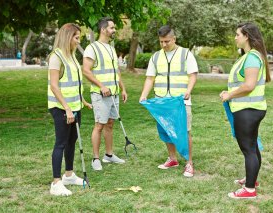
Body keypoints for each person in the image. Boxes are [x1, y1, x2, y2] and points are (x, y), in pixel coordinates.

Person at [219, 22, 271, 199]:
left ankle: (249, 190)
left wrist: (229, 95)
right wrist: (230, 93)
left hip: (247, 109)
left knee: (248, 148)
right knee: (252, 146)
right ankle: (252, 180)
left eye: (237, 34)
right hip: (249, 109)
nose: (235, 37)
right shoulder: (250, 56)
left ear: (246, 36)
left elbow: (249, 85)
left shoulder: (251, 57)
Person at [139, 25, 198, 178]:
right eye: (161, 42)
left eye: (167, 41)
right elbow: (150, 78)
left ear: (174, 39)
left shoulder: (186, 54)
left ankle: (189, 163)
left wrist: (188, 91)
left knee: (184, 131)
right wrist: (144, 94)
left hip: (180, 101)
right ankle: (172, 159)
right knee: (166, 130)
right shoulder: (156, 57)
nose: (164, 45)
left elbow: (192, 75)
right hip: (161, 101)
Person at [47, 23, 92, 196]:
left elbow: (75, 84)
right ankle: (56, 182)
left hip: (75, 107)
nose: (78, 41)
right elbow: (54, 85)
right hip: (61, 108)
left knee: (71, 141)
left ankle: (69, 174)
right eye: (76, 38)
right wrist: (66, 108)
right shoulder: (56, 57)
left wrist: (83, 101)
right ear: (67, 37)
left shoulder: (72, 56)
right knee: (61, 142)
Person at [82, 17, 128, 171]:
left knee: (110, 124)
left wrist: (123, 89)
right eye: (112, 28)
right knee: (99, 126)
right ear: (103, 30)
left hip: (114, 93)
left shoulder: (111, 48)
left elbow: (116, 71)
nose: (114, 30)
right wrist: (101, 86)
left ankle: (108, 155)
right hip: (100, 94)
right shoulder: (92, 48)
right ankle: (95, 158)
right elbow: (86, 71)